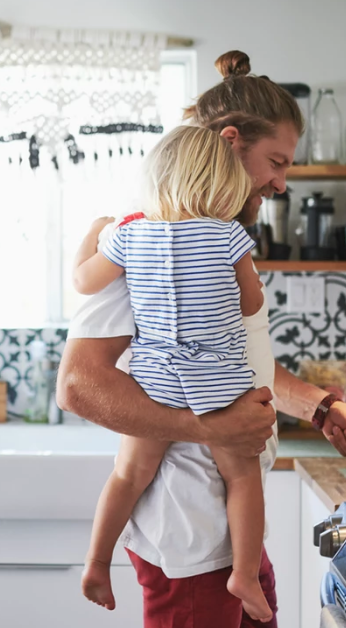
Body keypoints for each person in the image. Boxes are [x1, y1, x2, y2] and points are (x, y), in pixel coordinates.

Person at [55, 50, 346, 628]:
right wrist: (207, 427)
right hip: (189, 539)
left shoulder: (215, 239)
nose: (282, 183)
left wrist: (322, 406)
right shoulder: (142, 234)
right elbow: (78, 388)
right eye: (276, 162)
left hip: (233, 534)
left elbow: (239, 361)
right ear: (232, 143)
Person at [73, 126, 273, 621]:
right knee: (242, 475)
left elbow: (82, 281)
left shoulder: (129, 234)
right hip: (220, 384)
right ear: (225, 185)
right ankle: (244, 573)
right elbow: (252, 302)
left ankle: (97, 562)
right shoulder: (229, 235)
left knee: (127, 474)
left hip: (157, 380)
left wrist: (93, 234)